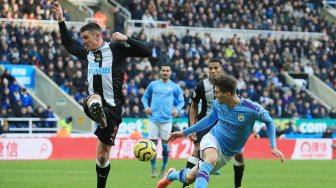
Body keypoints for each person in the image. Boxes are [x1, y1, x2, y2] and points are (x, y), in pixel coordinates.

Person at [51, 1, 151, 188]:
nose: (83, 42)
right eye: (82, 38)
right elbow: (69, 45)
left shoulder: (116, 49)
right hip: (93, 102)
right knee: (94, 99)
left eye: (85, 38)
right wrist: (61, 20)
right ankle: (98, 112)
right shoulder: (86, 53)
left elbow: (147, 52)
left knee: (102, 156)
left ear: (98, 36)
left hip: (114, 109)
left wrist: (126, 39)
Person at [156, 74, 285, 188]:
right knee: (211, 158)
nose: (215, 95)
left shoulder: (251, 109)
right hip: (212, 138)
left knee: (190, 177)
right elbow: (208, 120)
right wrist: (184, 132)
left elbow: (269, 121)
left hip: (227, 153)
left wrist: (273, 146)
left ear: (228, 94)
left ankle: (171, 175)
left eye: (217, 92)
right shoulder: (218, 103)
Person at [184, 58, 245, 188]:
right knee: (196, 149)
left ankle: (237, 185)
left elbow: (237, 105)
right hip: (206, 123)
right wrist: (191, 127)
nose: (213, 70)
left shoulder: (230, 85)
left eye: (216, 67)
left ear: (221, 69)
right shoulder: (201, 85)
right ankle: (186, 184)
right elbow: (193, 106)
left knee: (239, 153)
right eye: (210, 68)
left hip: (225, 124)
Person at [141, 64, 185, 178]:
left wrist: (177, 109)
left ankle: (163, 168)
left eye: (167, 70)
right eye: (163, 70)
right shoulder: (153, 84)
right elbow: (144, 97)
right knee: (152, 146)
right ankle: (153, 168)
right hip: (153, 119)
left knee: (165, 145)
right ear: (160, 71)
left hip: (167, 120)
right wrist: (146, 107)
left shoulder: (174, 86)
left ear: (170, 72)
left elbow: (182, 101)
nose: (165, 72)